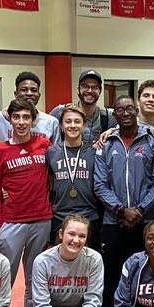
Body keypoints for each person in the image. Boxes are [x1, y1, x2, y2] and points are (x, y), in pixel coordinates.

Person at [94, 96, 154, 307]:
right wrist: (121, 210)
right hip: (113, 221)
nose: (124, 113)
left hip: (145, 221)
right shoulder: (106, 143)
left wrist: (139, 210)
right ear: (114, 115)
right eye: (119, 110)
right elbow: (99, 184)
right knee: (112, 274)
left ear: (136, 110)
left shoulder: (151, 141)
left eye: (128, 109)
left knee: (143, 273)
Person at [0, 97, 53, 307]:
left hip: (41, 220)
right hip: (12, 222)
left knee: (36, 279)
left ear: (34, 119)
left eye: (26, 117)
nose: (22, 122)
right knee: (5, 276)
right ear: (10, 119)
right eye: (17, 117)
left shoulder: (44, 144)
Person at [47, 104, 102, 251]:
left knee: (89, 262)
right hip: (60, 216)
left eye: (77, 121)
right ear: (61, 125)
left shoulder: (93, 151)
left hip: (89, 216)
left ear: (83, 125)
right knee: (60, 264)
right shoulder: (51, 152)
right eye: (68, 121)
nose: (72, 125)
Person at [50, 69, 115, 145]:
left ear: (100, 91)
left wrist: (113, 130)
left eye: (95, 87)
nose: (90, 91)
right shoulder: (61, 111)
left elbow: (129, 129)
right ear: (78, 89)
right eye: (85, 86)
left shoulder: (108, 116)